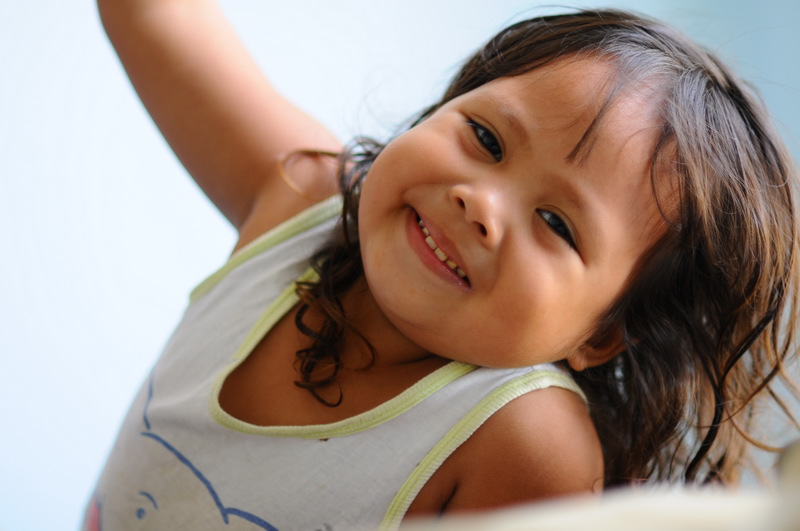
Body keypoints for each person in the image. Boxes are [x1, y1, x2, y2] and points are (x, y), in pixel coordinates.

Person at [85, 1, 800, 530]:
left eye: (556, 224)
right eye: (486, 138)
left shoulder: (524, 442)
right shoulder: (301, 200)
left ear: (603, 332)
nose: (479, 202)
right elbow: (158, 18)